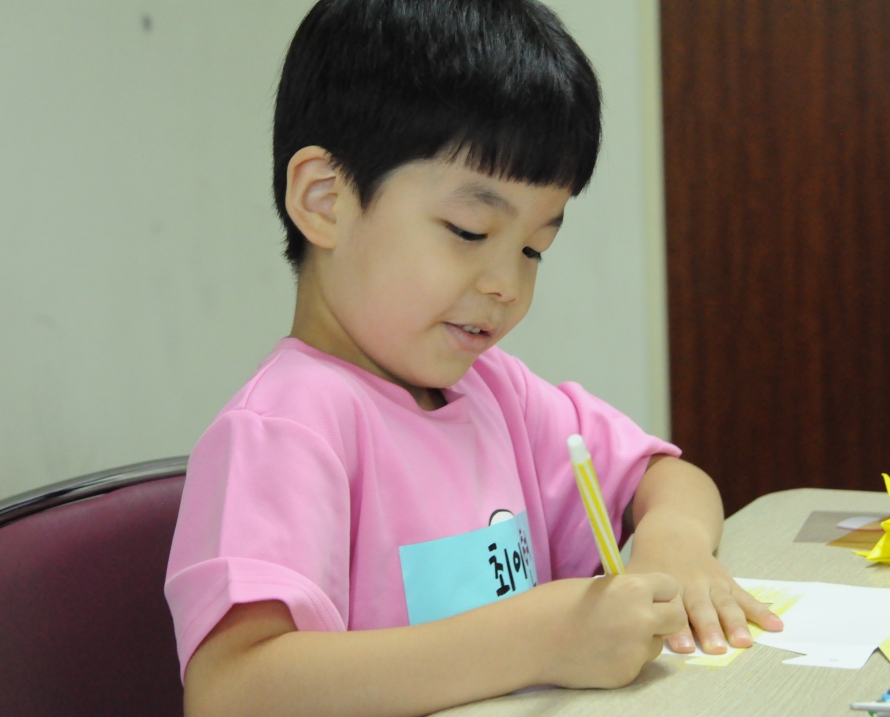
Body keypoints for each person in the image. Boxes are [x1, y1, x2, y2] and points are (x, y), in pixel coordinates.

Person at [165, 1, 783, 715]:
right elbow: (231, 690)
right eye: (468, 231)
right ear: (326, 200)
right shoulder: (286, 428)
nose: (506, 285)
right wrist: (538, 640)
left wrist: (673, 544)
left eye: (533, 249)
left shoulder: (496, 395)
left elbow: (667, 477)